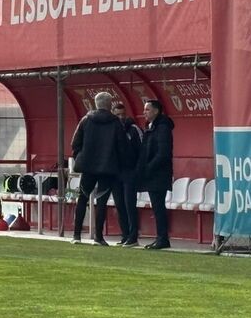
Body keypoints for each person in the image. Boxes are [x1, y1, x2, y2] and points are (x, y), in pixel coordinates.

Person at [70, 92, 127, 246]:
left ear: (96, 104)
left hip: (88, 167)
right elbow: (122, 147)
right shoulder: (115, 123)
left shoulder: (86, 120)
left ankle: (76, 235)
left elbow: (75, 143)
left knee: (82, 198)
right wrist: (119, 164)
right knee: (101, 202)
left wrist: (80, 157)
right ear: (109, 105)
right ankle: (98, 237)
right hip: (108, 168)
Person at [137, 99, 174, 250]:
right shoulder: (151, 127)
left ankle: (163, 238)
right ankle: (160, 237)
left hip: (159, 174)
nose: (144, 112)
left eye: (147, 109)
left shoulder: (163, 127)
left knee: (159, 206)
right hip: (153, 173)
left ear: (156, 111)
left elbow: (163, 153)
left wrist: (148, 168)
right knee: (157, 206)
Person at [111, 102, 143, 247]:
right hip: (115, 173)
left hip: (130, 172)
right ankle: (124, 235)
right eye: (118, 115)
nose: (121, 117)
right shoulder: (110, 129)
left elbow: (142, 151)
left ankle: (133, 236)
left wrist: (137, 170)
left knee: (130, 204)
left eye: (123, 114)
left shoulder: (134, 129)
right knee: (120, 205)